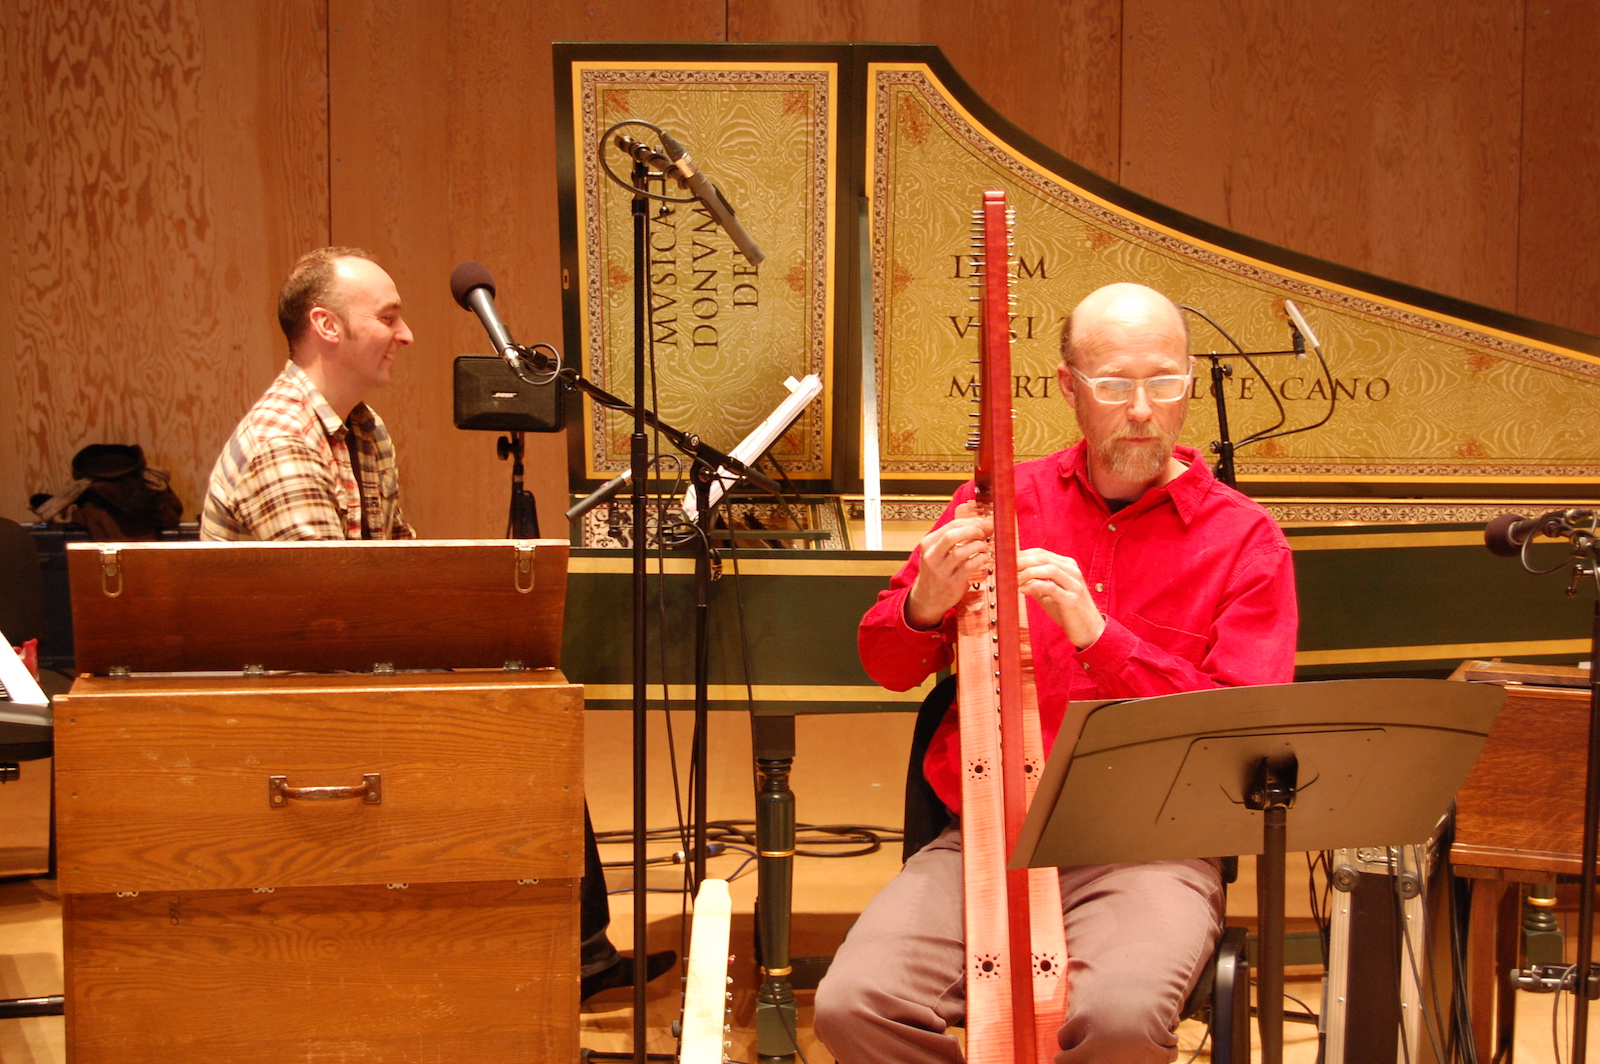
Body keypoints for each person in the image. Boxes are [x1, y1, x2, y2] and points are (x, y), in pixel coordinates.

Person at [814, 282, 1298, 1063]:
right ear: (1070, 388)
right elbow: (886, 663)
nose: (1142, 408)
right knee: (855, 1005)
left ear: (1188, 381)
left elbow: (1238, 734)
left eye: (1164, 380)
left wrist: (1102, 637)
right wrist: (925, 604)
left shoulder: (1246, 541)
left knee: (1116, 1018)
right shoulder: (999, 502)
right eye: (1114, 385)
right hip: (988, 835)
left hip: (1153, 845)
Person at [201, 246, 671, 998]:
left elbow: (395, 570)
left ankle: (571, 954)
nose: (407, 333)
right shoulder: (285, 444)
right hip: (284, 710)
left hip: (340, 679)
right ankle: (497, 965)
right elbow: (328, 626)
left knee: (534, 699)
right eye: (388, 317)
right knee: (505, 723)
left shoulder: (364, 430)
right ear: (326, 326)